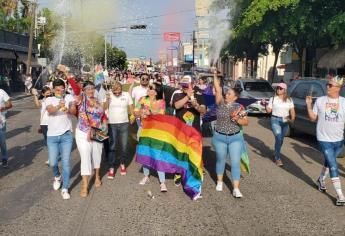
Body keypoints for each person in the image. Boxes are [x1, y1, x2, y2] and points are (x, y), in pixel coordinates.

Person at [306, 76, 345, 206]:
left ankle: (321, 180)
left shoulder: (344, 102)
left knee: (328, 162)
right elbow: (312, 118)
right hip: (324, 138)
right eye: (327, 85)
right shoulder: (321, 101)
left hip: (339, 140)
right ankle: (340, 196)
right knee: (333, 165)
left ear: (338, 88)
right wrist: (308, 105)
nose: (327, 87)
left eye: (330, 85)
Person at [212, 71, 249, 197]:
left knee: (235, 162)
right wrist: (215, 76)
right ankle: (220, 181)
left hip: (235, 138)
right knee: (221, 159)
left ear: (235, 97)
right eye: (226, 93)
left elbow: (246, 122)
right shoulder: (220, 103)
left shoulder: (240, 107)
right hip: (219, 137)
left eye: (229, 94)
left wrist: (237, 119)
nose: (226, 95)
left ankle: (236, 189)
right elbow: (217, 89)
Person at [172, 75, 206, 186]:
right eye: (183, 84)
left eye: (187, 84)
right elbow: (177, 106)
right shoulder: (177, 94)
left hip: (194, 130)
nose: (185, 87)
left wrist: (196, 105)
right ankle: (178, 173)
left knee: (194, 153)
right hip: (180, 131)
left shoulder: (200, 96)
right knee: (180, 153)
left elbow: (203, 110)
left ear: (192, 84)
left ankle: (194, 174)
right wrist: (188, 96)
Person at [46, 79, 77, 200]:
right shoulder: (49, 99)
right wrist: (59, 105)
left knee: (66, 163)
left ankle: (65, 188)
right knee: (53, 162)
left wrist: (68, 108)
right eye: (57, 89)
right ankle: (57, 176)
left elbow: (74, 112)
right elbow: (51, 111)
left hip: (66, 135)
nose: (60, 91)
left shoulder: (69, 98)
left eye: (62, 88)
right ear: (53, 89)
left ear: (64, 88)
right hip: (52, 136)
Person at [75, 81, 107, 198]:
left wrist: (104, 126)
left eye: (92, 88)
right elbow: (75, 89)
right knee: (85, 156)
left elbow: (103, 116)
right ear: (84, 90)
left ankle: (97, 175)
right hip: (83, 132)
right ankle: (85, 184)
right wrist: (68, 75)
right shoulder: (81, 99)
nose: (90, 91)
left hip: (97, 132)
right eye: (87, 89)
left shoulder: (98, 102)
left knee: (97, 155)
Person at [134, 83, 167, 192]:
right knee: (145, 152)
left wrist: (150, 112)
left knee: (158, 154)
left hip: (156, 131)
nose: (149, 89)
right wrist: (140, 113)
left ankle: (162, 182)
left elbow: (161, 115)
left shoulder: (161, 102)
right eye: (149, 87)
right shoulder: (142, 99)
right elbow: (135, 111)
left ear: (156, 91)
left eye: (151, 88)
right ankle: (146, 176)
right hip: (143, 129)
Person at [104, 82, 134, 179]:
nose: (117, 94)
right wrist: (107, 99)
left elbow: (131, 107)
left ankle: (122, 163)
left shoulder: (126, 94)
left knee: (124, 145)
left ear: (121, 89)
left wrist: (133, 116)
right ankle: (111, 167)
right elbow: (103, 108)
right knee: (112, 146)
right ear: (112, 90)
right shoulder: (109, 94)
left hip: (124, 123)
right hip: (112, 124)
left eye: (118, 92)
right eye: (115, 92)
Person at [265, 83, 295, 166]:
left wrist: (292, 118)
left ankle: (276, 152)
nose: (278, 89)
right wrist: (266, 106)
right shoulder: (273, 99)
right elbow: (268, 111)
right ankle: (277, 158)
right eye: (277, 88)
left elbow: (292, 110)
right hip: (275, 120)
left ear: (285, 90)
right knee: (278, 138)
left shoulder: (289, 99)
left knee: (281, 140)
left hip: (285, 120)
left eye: (281, 88)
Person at [32, 86, 52, 165]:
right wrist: (35, 95)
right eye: (47, 94)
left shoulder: (53, 99)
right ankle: (51, 157)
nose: (49, 95)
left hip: (52, 122)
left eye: (50, 93)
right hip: (44, 123)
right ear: (43, 94)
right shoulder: (42, 100)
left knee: (52, 140)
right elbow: (37, 104)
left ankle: (53, 156)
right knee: (47, 141)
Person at [0, 88, 12, 168]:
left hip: (1, 122)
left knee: (2, 142)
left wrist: (3, 108)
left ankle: (4, 158)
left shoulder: (1, 92)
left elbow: (9, 104)